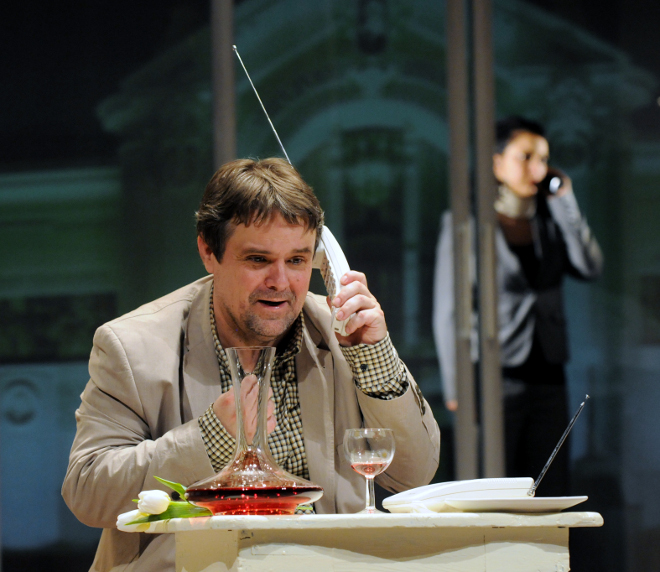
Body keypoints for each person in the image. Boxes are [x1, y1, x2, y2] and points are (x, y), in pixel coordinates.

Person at [63, 158, 441, 572]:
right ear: (209, 252)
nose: (280, 282)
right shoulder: (131, 346)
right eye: (259, 260)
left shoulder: (342, 333)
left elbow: (412, 476)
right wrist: (209, 438)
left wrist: (376, 356)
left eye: (297, 260)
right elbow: (88, 492)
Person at [433, 116, 602, 495]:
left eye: (543, 159)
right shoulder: (467, 223)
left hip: (549, 371)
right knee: (497, 483)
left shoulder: (550, 220)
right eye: (526, 157)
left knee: (551, 482)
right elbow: (447, 310)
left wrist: (565, 203)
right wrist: (456, 387)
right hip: (495, 372)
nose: (537, 169)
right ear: (496, 163)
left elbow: (590, 266)